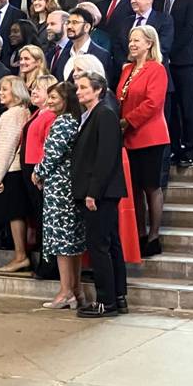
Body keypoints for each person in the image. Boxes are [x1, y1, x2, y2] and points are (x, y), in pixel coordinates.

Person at [72, 71, 129, 318]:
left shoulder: (104, 114)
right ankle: (118, 298)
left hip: (100, 192)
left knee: (100, 246)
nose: (79, 92)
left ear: (98, 90)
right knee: (110, 244)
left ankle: (106, 301)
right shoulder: (91, 114)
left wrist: (93, 192)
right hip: (99, 191)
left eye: (84, 87)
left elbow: (105, 158)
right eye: (77, 88)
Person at [117, 26, 170, 257]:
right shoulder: (127, 68)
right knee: (134, 188)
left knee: (151, 186)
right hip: (128, 136)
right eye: (130, 40)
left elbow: (153, 103)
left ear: (150, 43)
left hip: (150, 135)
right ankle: (138, 233)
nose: (132, 44)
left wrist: (127, 121)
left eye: (137, 40)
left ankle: (154, 236)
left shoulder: (156, 69)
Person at [33, 82, 85, 308]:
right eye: (49, 96)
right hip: (69, 185)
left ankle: (66, 292)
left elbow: (52, 154)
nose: (49, 100)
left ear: (66, 100)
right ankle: (76, 290)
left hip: (60, 188)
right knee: (72, 242)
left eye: (54, 97)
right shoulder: (75, 120)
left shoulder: (63, 122)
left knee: (63, 242)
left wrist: (37, 172)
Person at [155, 0, 193, 167]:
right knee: (170, 107)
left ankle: (190, 147)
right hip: (163, 63)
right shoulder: (158, 0)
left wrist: (166, 51)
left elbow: (189, 29)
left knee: (187, 104)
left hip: (182, 60)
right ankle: (174, 147)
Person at [0, 76, 31, 272]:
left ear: (17, 92)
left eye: (5, 89)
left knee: (15, 215)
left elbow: (6, 147)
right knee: (15, 215)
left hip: (10, 171)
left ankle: (21, 256)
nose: (0, 93)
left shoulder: (13, 114)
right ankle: (20, 255)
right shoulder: (18, 112)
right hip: (11, 170)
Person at [20, 75, 58, 278]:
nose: (33, 92)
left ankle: (49, 264)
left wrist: (40, 172)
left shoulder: (50, 115)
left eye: (39, 89)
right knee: (38, 217)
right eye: (33, 88)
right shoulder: (37, 113)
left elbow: (48, 147)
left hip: (39, 171)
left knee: (45, 219)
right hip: (30, 169)